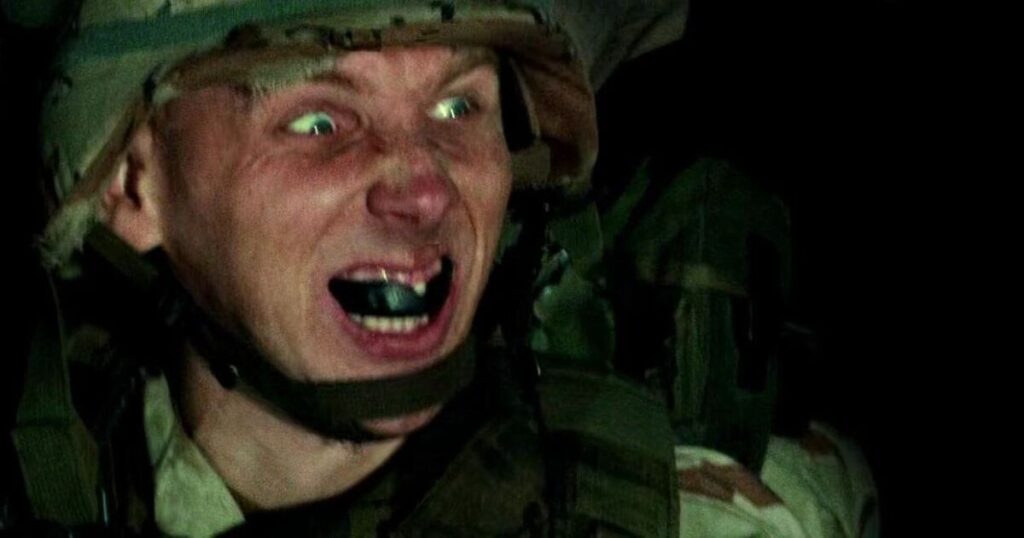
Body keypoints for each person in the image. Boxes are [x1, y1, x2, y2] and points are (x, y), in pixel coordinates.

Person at [1, 1, 875, 536]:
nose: (424, 189)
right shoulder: (40, 459)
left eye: (459, 107)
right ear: (131, 185)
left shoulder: (711, 519)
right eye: (318, 123)